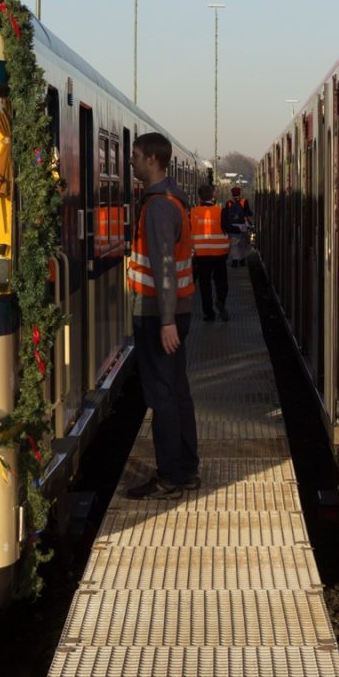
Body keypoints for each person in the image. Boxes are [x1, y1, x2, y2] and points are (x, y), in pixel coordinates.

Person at [125, 132, 200, 498]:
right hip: (173, 311)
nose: (132, 161)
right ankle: (187, 470)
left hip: (158, 315)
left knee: (162, 397)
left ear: (153, 160)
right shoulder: (174, 200)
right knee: (178, 392)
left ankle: (169, 477)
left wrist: (166, 321)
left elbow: (164, 267)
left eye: (136, 156)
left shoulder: (156, 207)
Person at [188, 181, 230, 322]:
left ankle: (208, 313)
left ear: (200, 197)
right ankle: (220, 300)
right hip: (220, 255)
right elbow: (228, 228)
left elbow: (188, 232)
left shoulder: (193, 213)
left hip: (201, 255)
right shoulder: (221, 211)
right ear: (213, 196)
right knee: (221, 281)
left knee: (204, 285)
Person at [222, 185, 253, 268]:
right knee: (242, 244)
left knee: (233, 244)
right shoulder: (244, 201)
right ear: (239, 193)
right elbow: (248, 213)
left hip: (232, 227)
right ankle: (242, 261)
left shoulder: (228, 203)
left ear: (232, 194)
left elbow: (226, 215)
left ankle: (234, 261)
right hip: (243, 226)